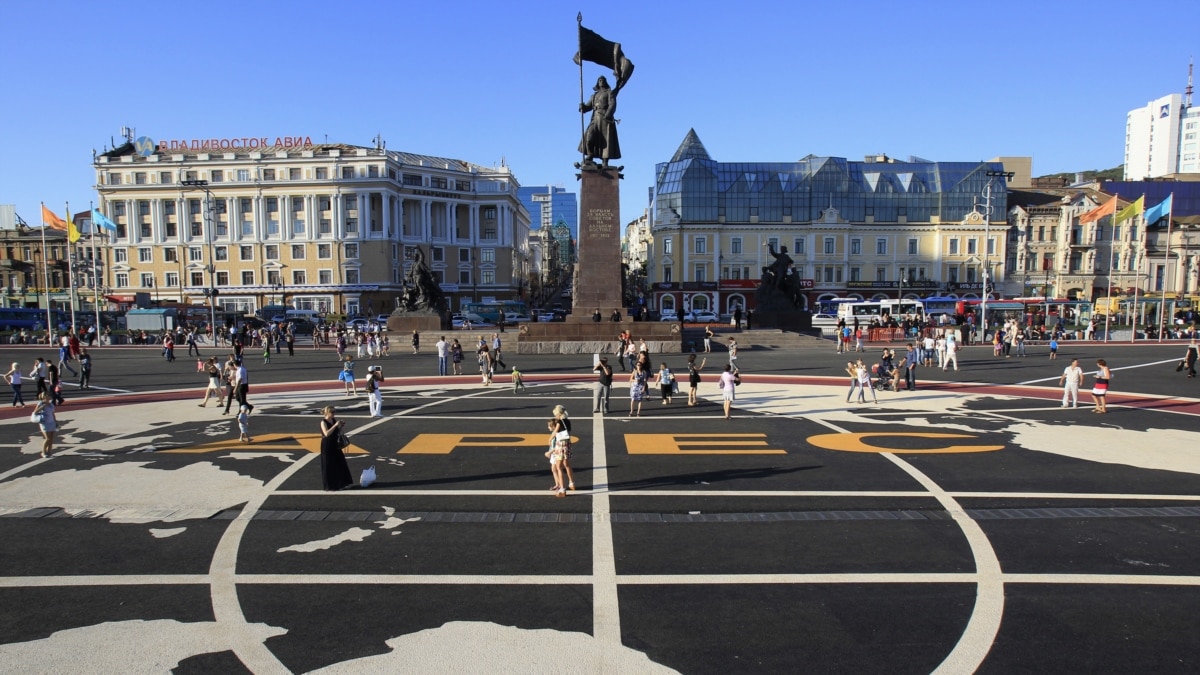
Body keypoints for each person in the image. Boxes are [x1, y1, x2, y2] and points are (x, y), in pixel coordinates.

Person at [578, 75, 621, 168]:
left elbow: (612, 104)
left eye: (602, 80)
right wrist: (583, 107)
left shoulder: (609, 93)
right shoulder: (594, 95)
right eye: (599, 80)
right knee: (589, 137)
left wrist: (608, 114)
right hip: (595, 118)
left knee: (606, 140)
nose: (601, 81)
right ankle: (590, 154)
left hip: (605, 118)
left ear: (605, 82)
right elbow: (588, 107)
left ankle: (605, 161)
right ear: (597, 82)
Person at [319, 406, 354, 491]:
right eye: (332, 412)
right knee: (329, 465)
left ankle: (342, 483)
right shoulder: (323, 422)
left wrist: (340, 426)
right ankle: (331, 485)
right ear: (327, 413)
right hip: (327, 445)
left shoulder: (333, 420)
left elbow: (336, 432)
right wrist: (335, 425)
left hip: (335, 444)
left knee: (340, 462)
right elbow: (326, 434)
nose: (334, 414)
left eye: (334, 412)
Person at [551, 404, 575, 493]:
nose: (555, 416)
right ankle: (572, 483)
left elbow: (555, 432)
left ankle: (562, 488)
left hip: (560, 444)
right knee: (567, 464)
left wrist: (550, 438)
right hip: (567, 443)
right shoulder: (568, 421)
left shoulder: (559, 422)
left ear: (559, 414)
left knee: (558, 466)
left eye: (556, 414)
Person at [545, 419, 567, 498]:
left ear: (554, 427)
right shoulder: (554, 434)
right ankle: (558, 484)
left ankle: (560, 485)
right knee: (554, 469)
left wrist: (549, 452)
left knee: (556, 468)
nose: (548, 428)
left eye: (549, 426)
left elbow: (557, 446)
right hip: (554, 454)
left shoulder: (558, 435)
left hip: (556, 453)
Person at [31, 392, 57, 458]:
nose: (50, 396)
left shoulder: (51, 404)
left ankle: (49, 452)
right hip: (45, 423)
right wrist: (43, 406)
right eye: (49, 395)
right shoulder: (41, 403)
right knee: (47, 439)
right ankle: (43, 452)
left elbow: (53, 413)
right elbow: (35, 412)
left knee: (51, 439)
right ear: (45, 397)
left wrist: (55, 421)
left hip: (51, 422)